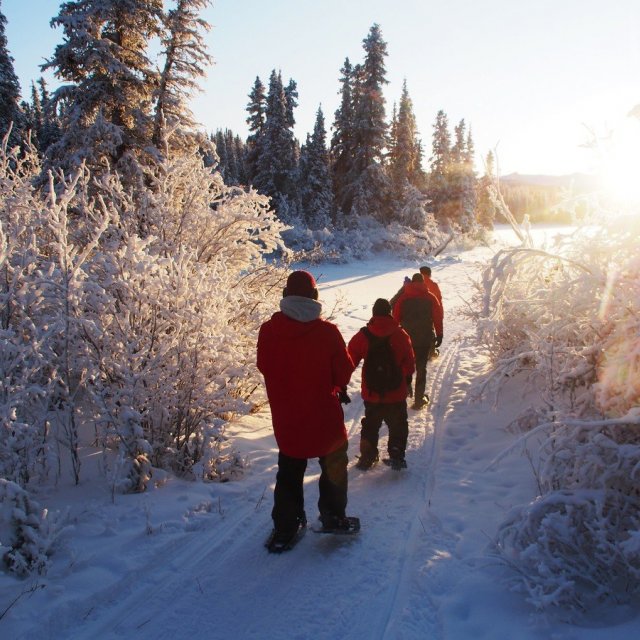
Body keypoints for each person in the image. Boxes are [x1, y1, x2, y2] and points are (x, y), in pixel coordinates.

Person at [257, 270, 355, 548]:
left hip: (287, 417)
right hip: (323, 415)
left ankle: (286, 527)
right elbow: (343, 374)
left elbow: (264, 366)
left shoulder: (268, 330)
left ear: (286, 295)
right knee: (334, 462)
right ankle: (333, 516)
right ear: (314, 297)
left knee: (289, 470)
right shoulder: (328, 332)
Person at [348, 299, 415, 470]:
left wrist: (340, 381)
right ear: (390, 313)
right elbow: (409, 362)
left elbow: (349, 360)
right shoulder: (400, 334)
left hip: (372, 393)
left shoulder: (363, 336)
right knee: (398, 424)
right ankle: (396, 454)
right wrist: (407, 381)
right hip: (396, 392)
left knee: (370, 424)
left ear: (373, 313)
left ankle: (368, 457)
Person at [392, 273, 443, 410]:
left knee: (405, 365)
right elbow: (438, 317)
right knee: (421, 368)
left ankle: (405, 391)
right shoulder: (430, 297)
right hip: (425, 338)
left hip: (406, 339)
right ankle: (419, 400)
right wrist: (439, 334)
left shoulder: (402, 298)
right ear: (423, 283)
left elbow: (395, 319)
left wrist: (394, 336)